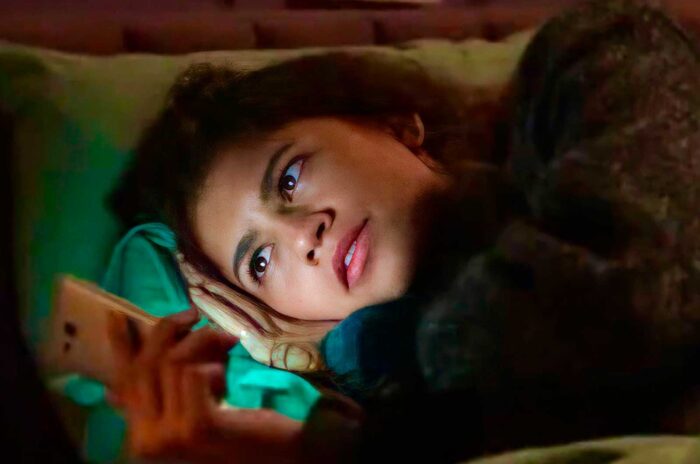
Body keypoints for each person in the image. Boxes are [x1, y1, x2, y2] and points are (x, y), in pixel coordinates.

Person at [106, 0, 700, 462]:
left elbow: (629, 300)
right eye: (259, 263)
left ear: (393, 124)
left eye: (289, 179)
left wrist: (350, 409)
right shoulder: (404, 405)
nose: (303, 238)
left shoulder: (589, 61)